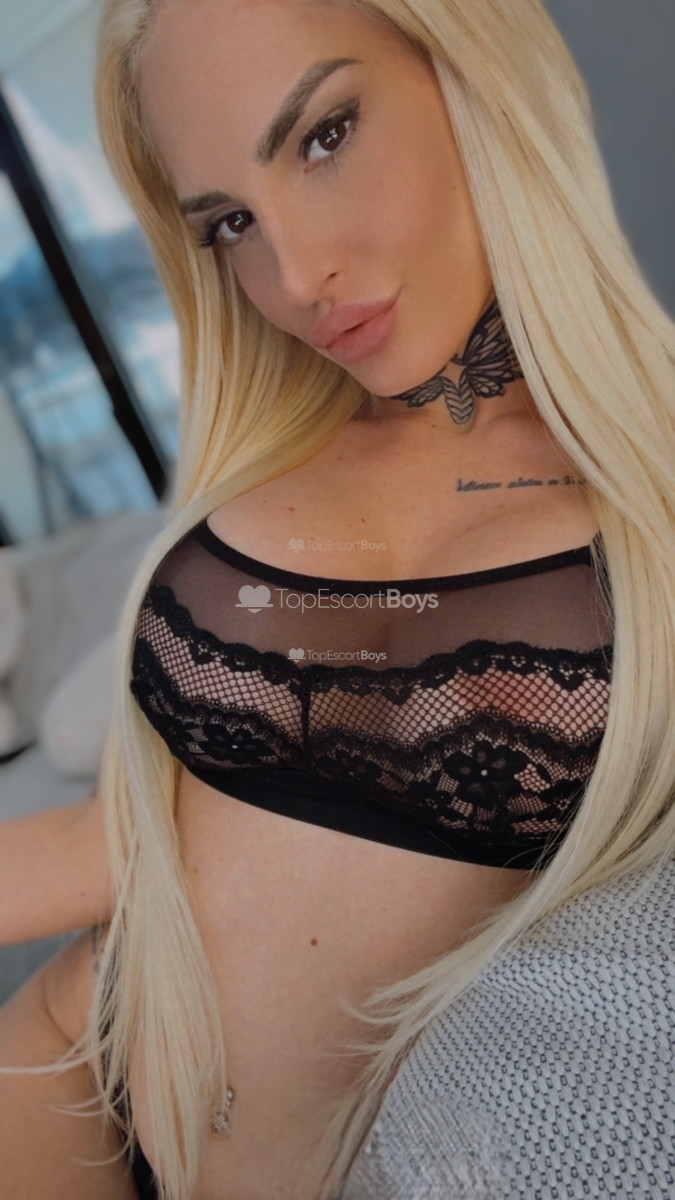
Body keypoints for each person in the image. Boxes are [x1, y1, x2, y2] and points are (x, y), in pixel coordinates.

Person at [1, 0, 674, 1197]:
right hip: (69, 1069)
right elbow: (169, 833)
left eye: (323, 135)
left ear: (466, 64)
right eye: (231, 222)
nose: (296, 275)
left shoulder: (649, 501)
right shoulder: (270, 453)